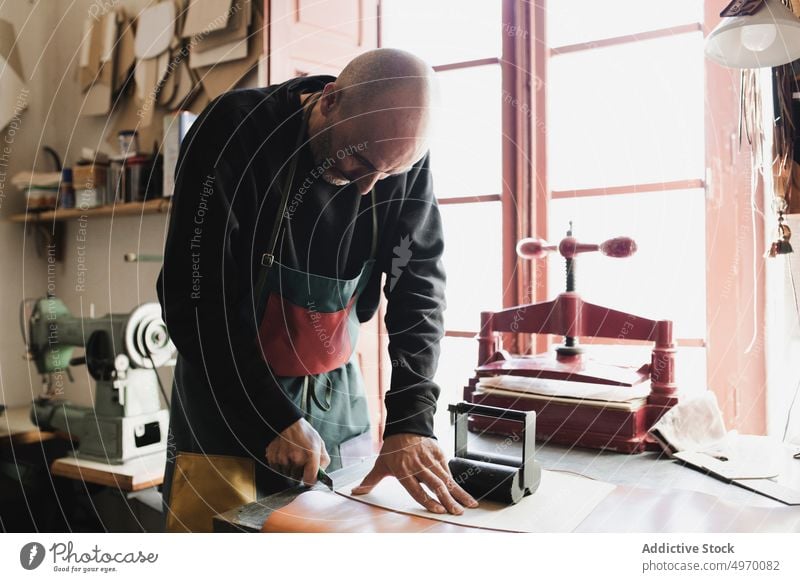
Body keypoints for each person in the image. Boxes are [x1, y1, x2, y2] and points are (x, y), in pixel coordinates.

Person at [157, 48, 477, 522]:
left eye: (388, 173)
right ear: (329, 100)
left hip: (335, 395)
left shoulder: (400, 159)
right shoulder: (235, 131)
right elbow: (194, 297)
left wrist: (411, 420)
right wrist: (272, 416)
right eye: (361, 162)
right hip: (226, 394)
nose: (370, 187)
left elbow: (419, 287)